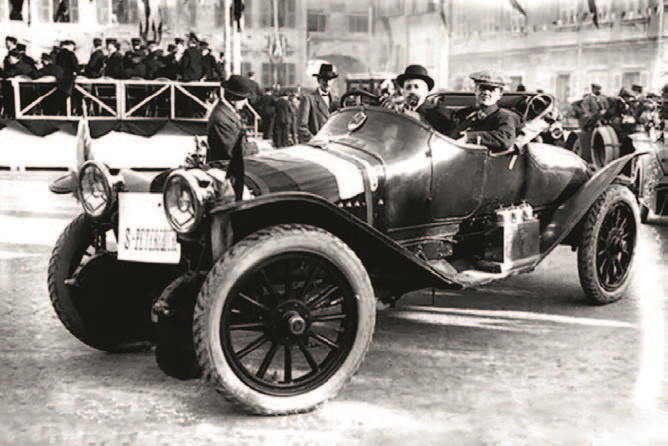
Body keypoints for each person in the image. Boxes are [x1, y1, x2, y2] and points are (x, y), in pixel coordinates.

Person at [207, 75, 256, 198]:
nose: (245, 103)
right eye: (244, 99)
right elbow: (233, 152)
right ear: (233, 99)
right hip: (227, 174)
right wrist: (254, 147)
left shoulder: (228, 113)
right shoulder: (221, 118)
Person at [449, 71, 521, 152]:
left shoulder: (504, 116)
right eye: (482, 88)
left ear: (500, 94)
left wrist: (470, 137)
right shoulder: (464, 114)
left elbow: (506, 139)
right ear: (475, 90)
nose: (486, 93)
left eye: (492, 89)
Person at [394, 64, 455, 136]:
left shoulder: (438, 113)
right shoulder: (398, 112)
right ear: (403, 92)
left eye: (416, 87)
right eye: (408, 87)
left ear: (425, 91)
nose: (412, 91)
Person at [298, 63, 339, 143]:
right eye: (324, 80)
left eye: (330, 80)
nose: (327, 83)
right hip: (315, 145)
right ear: (318, 80)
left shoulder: (337, 101)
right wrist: (315, 140)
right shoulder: (308, 99)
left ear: (333, 81)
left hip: (333, 145)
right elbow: (301, 127)